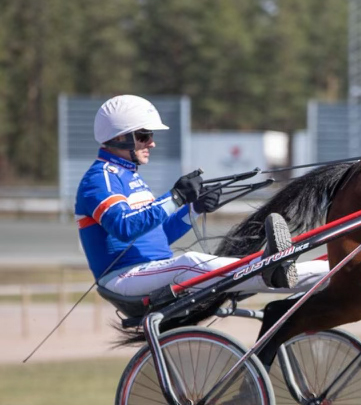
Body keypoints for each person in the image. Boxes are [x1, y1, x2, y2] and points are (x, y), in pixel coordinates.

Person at [75, 94, 328, 299]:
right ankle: (268, 271)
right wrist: (175, 197)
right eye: (144, 135)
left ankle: (331, 271)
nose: (151, 143)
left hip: (150, 270)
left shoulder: (131, 177)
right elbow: (124, 228)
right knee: (190, 263)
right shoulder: (99, 179)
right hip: (123, 277)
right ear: (120, 137)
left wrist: (194, 208)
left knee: (202, 263)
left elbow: (159, 235)